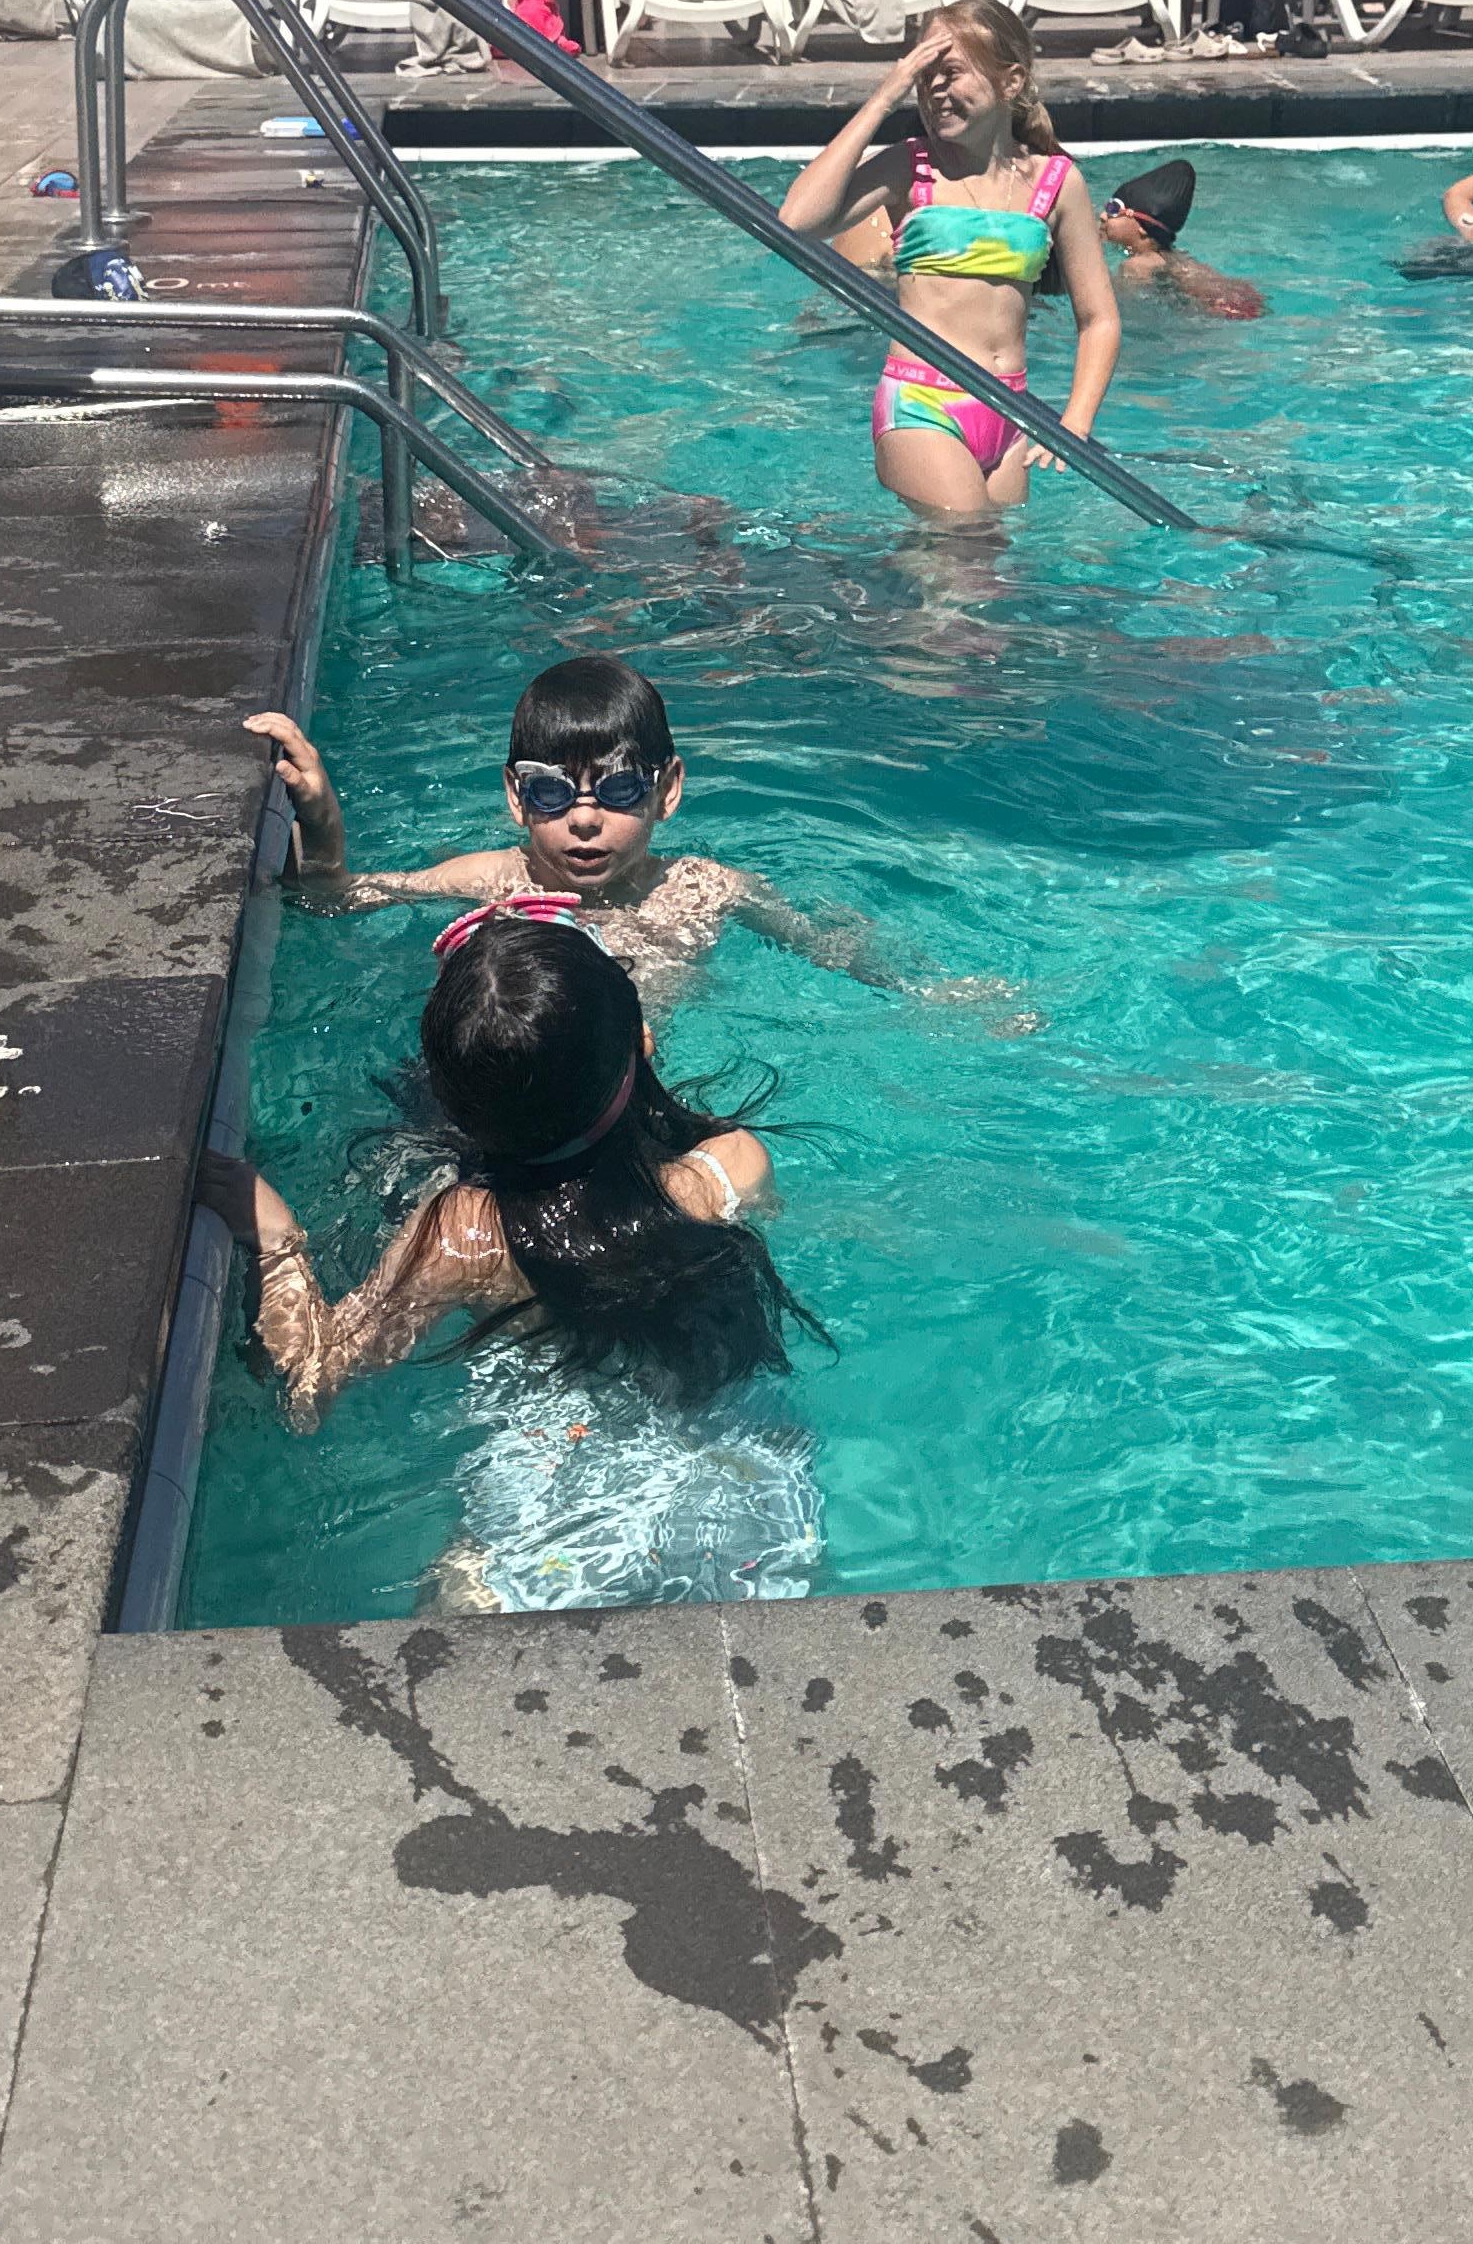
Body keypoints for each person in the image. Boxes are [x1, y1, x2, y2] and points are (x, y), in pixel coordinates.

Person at [205, 906, 829, 1607]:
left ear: (448, 1100)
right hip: (744, 1489)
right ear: (644, 1043)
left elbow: (307, 1389)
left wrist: (276, 1242)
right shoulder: (731, 1166)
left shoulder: (464, 1232)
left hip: (555, 1517)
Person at [246, 652, 969, 1009]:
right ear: (516, 798)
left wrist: (930, 991)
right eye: (551, 792)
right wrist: (323, 821)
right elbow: (332, 901)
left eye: (620, 790)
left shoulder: (707, 889)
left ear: (667, 791)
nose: (585, 818)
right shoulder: (491, 879)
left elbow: (821, 944)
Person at [779, 0, 1121, 523]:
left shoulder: (1056, 182)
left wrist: (1076, 419)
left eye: (952, 71)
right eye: (924, 75)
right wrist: (884, 96)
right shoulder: (910, 168)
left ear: (1011, 82)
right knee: (967, 550)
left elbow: (1098, 319)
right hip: (922, 404)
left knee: (992, 566)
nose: (934, 86)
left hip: (1011, 412)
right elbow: (796, 221)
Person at [1098, 159, 1264, 317]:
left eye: (1113, 209)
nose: (1103, 215)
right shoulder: (1173, 257)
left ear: (1142, 227)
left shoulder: (1137, 266)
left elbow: (1115, 312)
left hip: (1224, 313)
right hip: (1243, 299)